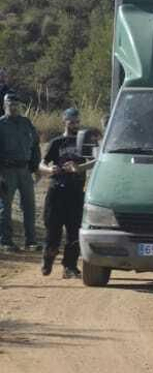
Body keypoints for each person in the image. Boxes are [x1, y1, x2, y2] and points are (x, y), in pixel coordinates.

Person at [41, 108, 95, 278]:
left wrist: (79, 168)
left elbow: (96, 161)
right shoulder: (57, 142)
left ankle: (69, 267)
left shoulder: (84, 141)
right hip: (56, 191)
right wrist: (49, 169)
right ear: (64, 121)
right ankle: (47, 260)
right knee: (53, 231)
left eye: (77, 121)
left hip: (76, 192)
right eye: (72, 121)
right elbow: (41, 164)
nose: (75, 125)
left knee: (74, 231)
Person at [0, 92, 42, 251]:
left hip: (25, 171)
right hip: (6, 171)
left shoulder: (26, 123)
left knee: (29, 206)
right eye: (10, 105)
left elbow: (35, 145)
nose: (14, 108)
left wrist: (36, 167)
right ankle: (6, 242)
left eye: (16, 105)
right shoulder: (1, 125)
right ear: (5, 106)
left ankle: (31, 241)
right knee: (5, 207)